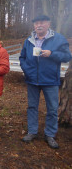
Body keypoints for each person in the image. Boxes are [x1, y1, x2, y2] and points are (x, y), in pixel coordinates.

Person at [20, 15, 71, 149]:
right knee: (32, 107)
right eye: (36, 23)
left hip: (50, 80)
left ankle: (50, 134)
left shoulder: (58, 39)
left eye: (42, 22)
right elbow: (22, 57)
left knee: (52, 109)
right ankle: (32, 132)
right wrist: (27, 70)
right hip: (32, 80)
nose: (39, 25)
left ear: (48, 23)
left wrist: (52, 53)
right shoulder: (29, 40)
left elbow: (67, 56)